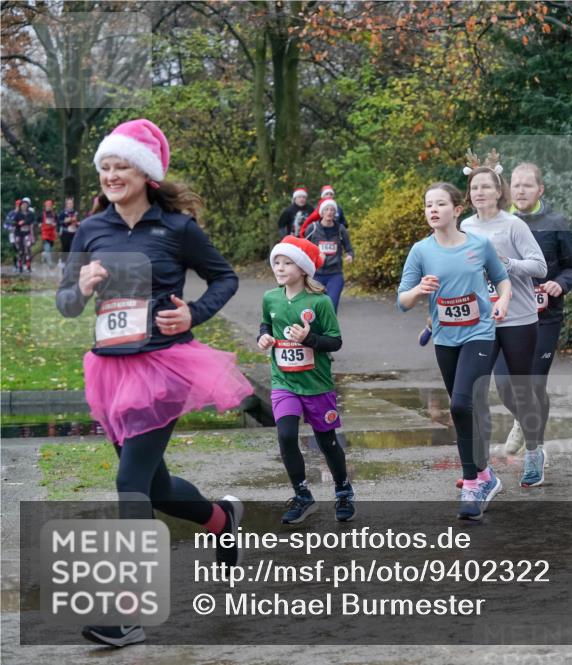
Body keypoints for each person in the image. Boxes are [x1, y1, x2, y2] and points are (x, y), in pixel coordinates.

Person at [56, 118, 254, 646]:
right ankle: (221, 519)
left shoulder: (177, 229)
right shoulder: (90, 230)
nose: (111, 174)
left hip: (163, 368)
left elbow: (225, 277)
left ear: (145, 173)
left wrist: (194, 314)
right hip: (110, 370)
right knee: (156, 487)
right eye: (104, 166)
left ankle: (128, 612)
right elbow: (66, 304)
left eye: (121, 165)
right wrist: (80, 285)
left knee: (129, 483)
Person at [398, 182, 511, 519]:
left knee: (461, 403)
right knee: (463, 411)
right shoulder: (421, 251)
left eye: (440, 204)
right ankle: (486, 474)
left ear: (457, 209)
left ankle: (474, 482)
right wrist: (419, 289)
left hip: (480, 333)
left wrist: (502, 300)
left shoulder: (479, 245)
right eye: (428, 205)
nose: (433, 210)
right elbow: (402, 302)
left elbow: (502, 278)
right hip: (446, 339)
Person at [460, 153, 548, 488]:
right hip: (481, 321)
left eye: (487, 186)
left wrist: (506, 263)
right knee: (479, 390)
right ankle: (479, 469)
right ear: (469, 194)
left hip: (518, 318)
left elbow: (539, 267)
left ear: (499, 192)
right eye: (474, 187)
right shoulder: (464, 227)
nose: (480, 192)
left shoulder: (513, 225)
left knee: (518, 389)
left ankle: (534, 452)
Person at [258, 235, 354, 524]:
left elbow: (335, 343)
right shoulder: (270, 297)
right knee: (286, 436)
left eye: (288, 262)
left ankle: (343, 491)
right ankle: (302, 495)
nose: (280, 267)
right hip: (283, 381)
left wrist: (309, 338)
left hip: (316, 384)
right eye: (277, 262)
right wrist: (263, 336)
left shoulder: (320, 302)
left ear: (303, 269)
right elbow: (266, 323)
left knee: (327, 442)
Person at [501, 162, 572, 464]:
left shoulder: (556, 223)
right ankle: (522, 418)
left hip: (544, 317)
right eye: (516, 185)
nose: (520, 190)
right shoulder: (499, 223)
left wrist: (560, 283)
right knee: (506, 386)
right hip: (506, 315)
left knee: (534, 384)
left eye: (527, 185)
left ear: (540, 189)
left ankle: (537, 446)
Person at [301, 198, 353, 312]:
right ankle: (316, 329)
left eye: (332, 210)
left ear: (335, 213)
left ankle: (330, 329)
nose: (329, 212)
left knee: (331, 305)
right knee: (313, 308)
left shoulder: (340, 229)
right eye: (326, 209)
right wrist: (314, 257)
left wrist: (349, 255)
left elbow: (349, 248)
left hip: (335, 274)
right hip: (316, 274)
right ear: (322, 212)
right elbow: (303, 248)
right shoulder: (313, 228)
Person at [11, 198, 36, 273]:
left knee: (28, 250)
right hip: (19, 234)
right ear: (20, 206)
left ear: (28, 206)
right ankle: (20, 267)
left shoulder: (30, 214)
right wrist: (18, 224)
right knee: (20, 251)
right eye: (23, 205)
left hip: (27, 234)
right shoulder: (17, 214)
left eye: (26, 205)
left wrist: (33, 236)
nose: (24, 206)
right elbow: (14, 224)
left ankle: (28, 267)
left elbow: (31, 225)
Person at [57, 196, 80, 271]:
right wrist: (65, 221)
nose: (70, 205)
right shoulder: (62, 213)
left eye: (71, 203)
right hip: (65, 233)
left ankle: (72, 264)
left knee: (73, 248)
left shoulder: (76, 213)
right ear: (66, 204)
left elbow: (78, 222)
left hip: (74, 233)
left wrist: (78, 223)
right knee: (65, 248)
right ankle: (63, 263)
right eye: (68, 203)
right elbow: (59, 222)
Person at [40, 199, 58, 270]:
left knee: (50, 249)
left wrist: (55, 224)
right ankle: (50, 264)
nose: (48, 207)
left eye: (50, 206)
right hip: (45, 233)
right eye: (47, 206)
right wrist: (39, 224)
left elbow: (57, 222)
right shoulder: (42, 214)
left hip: (51, 234)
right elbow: (37, 221)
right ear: (45, 206)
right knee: (47, 248)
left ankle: (44, 255)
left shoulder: (54, 214)